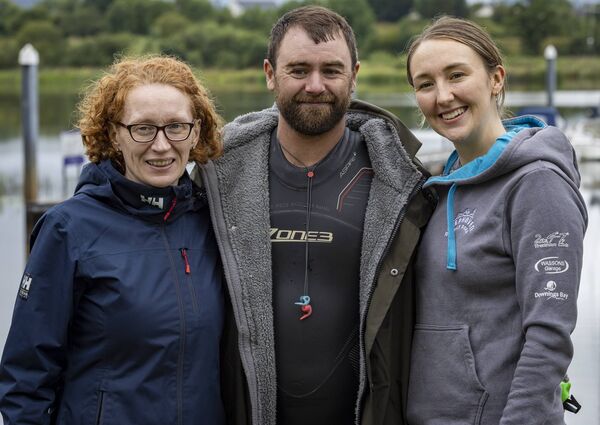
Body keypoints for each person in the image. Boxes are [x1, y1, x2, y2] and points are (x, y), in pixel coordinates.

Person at [192, 5, 435, 425]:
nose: (315, 85)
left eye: (332, 70)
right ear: (270, 73)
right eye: (299, 69)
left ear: (355, 74)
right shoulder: (218, 176)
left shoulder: (402, 183)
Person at [0, 56, 225, 425]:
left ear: (196, 131)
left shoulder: (212, 222)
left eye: (176, 127)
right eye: (143, 129)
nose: (162, 145)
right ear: (114, 134)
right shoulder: (67, 229)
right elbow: (26, 379)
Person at [404, 16, 587, 425]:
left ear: (496, 79)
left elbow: (549, 337)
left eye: (456, 75)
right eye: (425, 83)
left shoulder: (537, 183)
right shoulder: (440, 188)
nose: (443, 96)